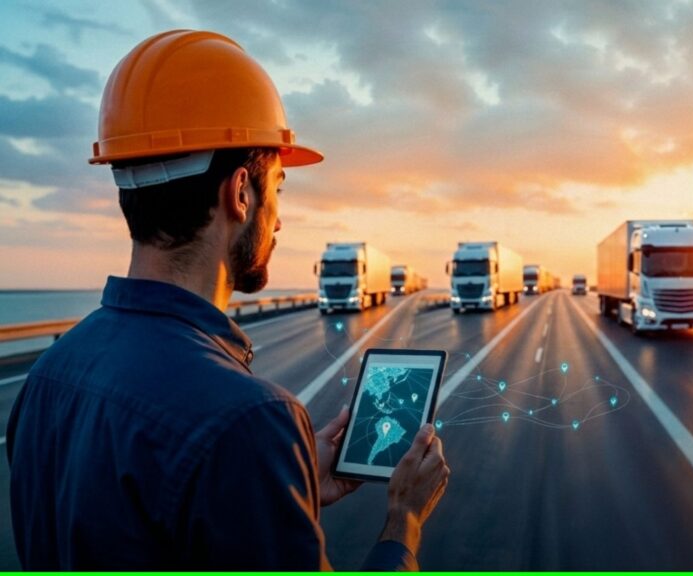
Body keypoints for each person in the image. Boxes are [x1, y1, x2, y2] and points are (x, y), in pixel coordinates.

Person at [6, 30, 449, 570]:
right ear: (240, 192)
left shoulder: (49, 376)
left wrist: (283, 485)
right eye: (279, 186)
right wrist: (402, 520)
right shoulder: (248, 421)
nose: (280, 218)